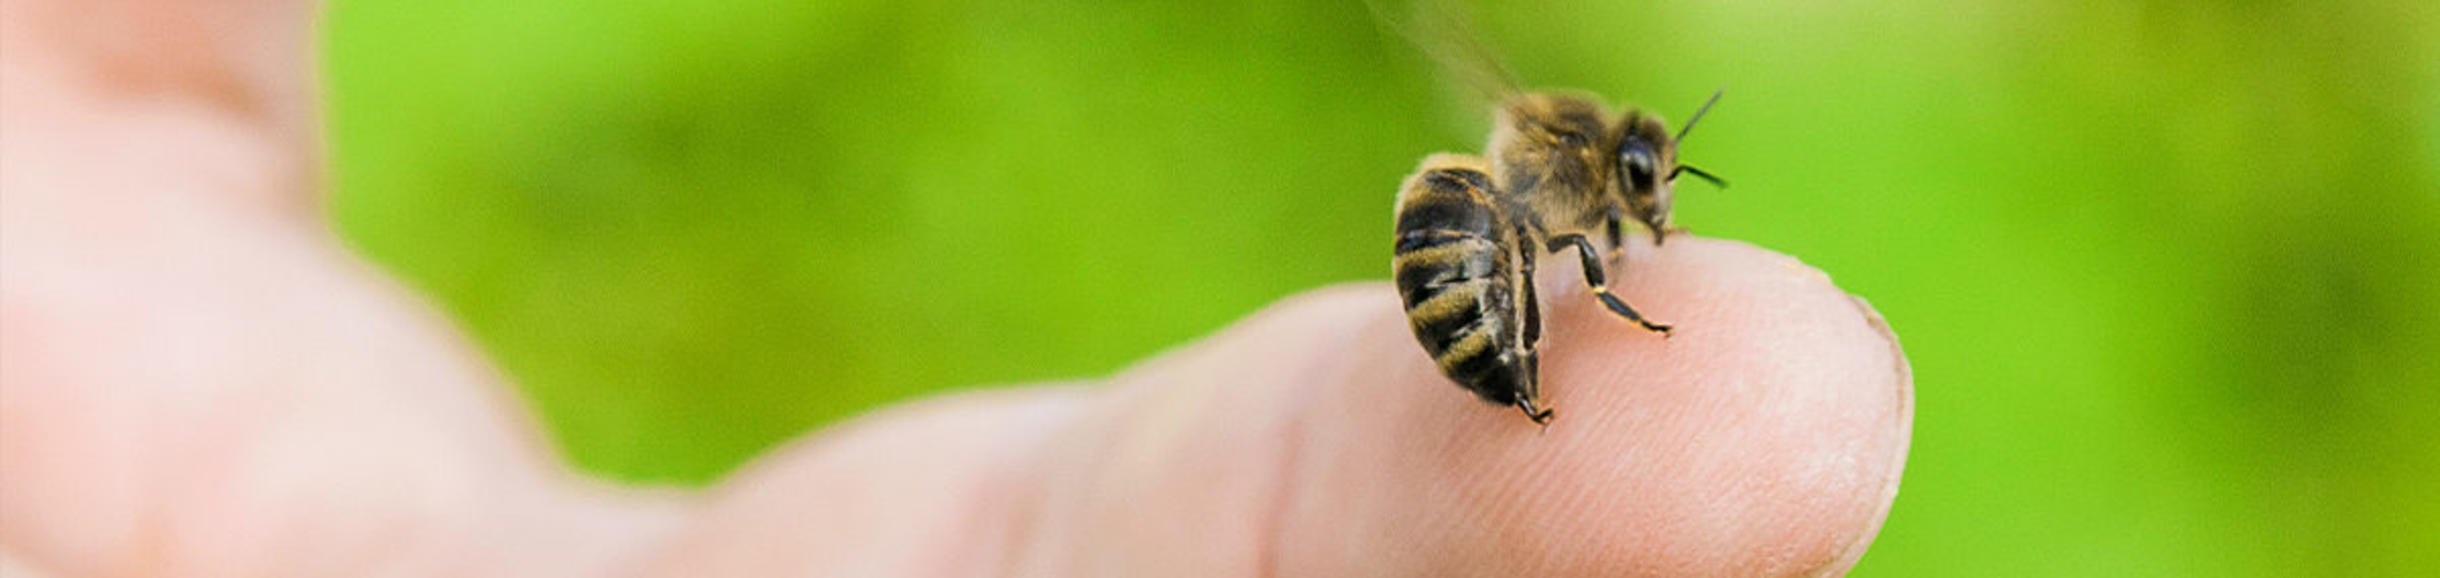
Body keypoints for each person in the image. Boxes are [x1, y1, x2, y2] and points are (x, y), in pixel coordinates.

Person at [0, 2, 1912, 575]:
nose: (1645, 207)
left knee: (1691, 411)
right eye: (1639, 191)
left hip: (1468, 251)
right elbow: (1541, 222)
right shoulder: (1545, 183)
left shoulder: (1557, 177)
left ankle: (1524, 378)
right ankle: (1523, 373)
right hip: (1467, 249)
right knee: (1551, 309)